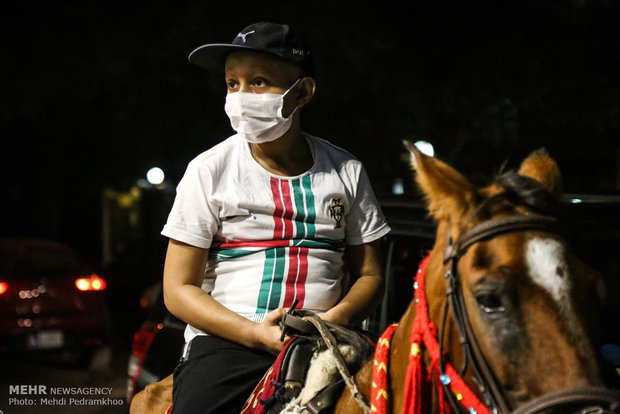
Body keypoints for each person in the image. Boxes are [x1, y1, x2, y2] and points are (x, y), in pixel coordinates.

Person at [161, 21, 391, 414]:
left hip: (332, 340)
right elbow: (178, 289)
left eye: (259, 81)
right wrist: (254, 334)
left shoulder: (346, 171)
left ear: (302, 92)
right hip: (229, 344)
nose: (240, 96)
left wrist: (334, 321)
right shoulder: (209, 170)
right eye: (233, 84)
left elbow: (370, 274)